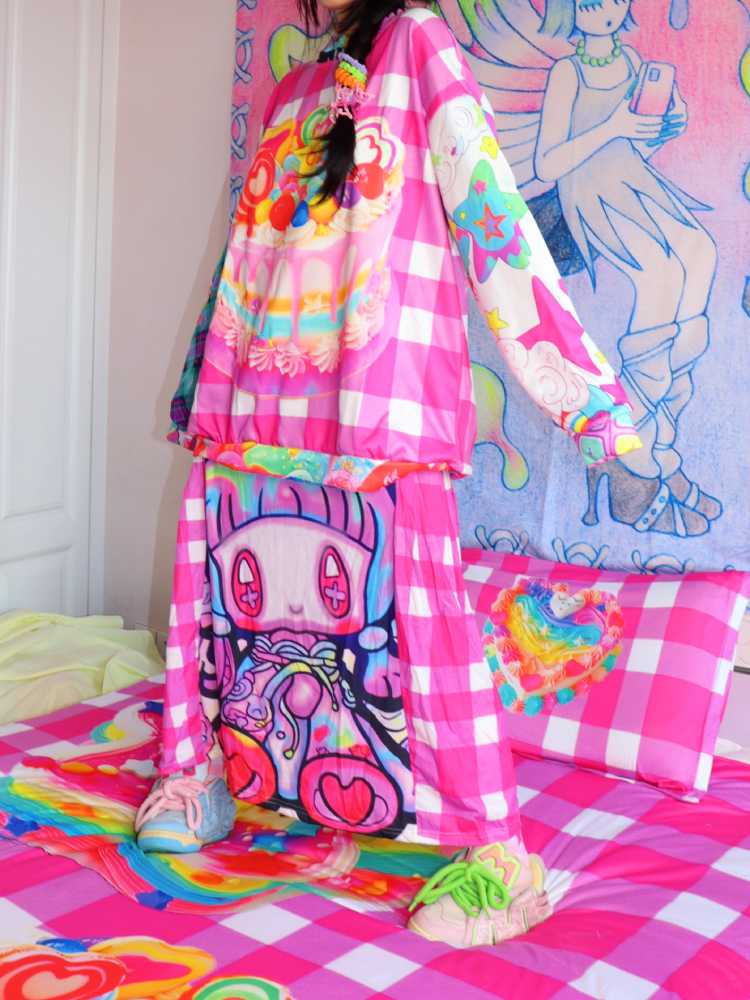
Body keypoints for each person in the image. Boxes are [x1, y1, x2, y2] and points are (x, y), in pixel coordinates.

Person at [135, 0, 641, 947]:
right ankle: (202, 770)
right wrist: (204, 383)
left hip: (378, 397)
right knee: (227, 606)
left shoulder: (419, 43)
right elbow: (247, 250)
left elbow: (493, 219)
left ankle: (494, 857)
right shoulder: (294, 86)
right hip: (254, 397)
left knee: (418, 625)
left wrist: (586, 400)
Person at [535, 0, 719, 536]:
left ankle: (655, 450)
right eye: (592, 5)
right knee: (661, 274)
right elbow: (548, 162)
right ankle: (632, 460)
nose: (608, 11)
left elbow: (639, 142)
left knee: (700, 252)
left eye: (614, 1)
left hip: (631, 177)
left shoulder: (633, 62)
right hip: (588, 188)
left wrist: (665, 127)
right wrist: (613, 125)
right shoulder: (568, 72)